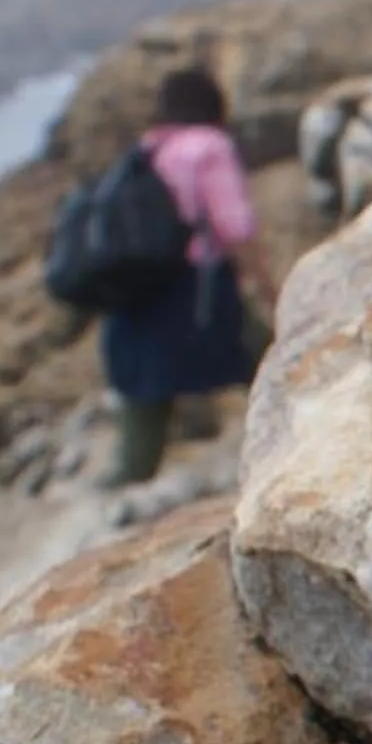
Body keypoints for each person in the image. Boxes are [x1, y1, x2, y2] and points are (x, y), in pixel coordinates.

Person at [102, 67, 274, 486]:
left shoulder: (149, 147)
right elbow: (233, 226)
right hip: (195, 287)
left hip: (141, 290)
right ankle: (299, 437)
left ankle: (128, 480)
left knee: (144, 391)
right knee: (270, 359)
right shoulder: (209, 146)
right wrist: (268, 286)